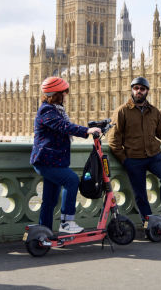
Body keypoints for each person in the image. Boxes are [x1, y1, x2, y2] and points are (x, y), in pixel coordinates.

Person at [108, 77, 161, 223]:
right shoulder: (122, 111)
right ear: (132, 90)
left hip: (154, 155)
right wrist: (124, 160)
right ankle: (149, 222)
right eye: (136, 88)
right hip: (133, 158)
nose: (139, 91)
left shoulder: (154, 111)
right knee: (140, 194)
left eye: (142, 89)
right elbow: (113, 139)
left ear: (147, 91)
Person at [30, 77, 101, 234]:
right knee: (72, 180)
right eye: (64, 93)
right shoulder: (47, 110)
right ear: (56, 94)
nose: (66, 96)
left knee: (50, 200)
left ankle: (44, 232)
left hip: (54, 161)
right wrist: (87, 131)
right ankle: (67, 222)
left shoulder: (55, 110)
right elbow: (63, 126)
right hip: (46, 161)